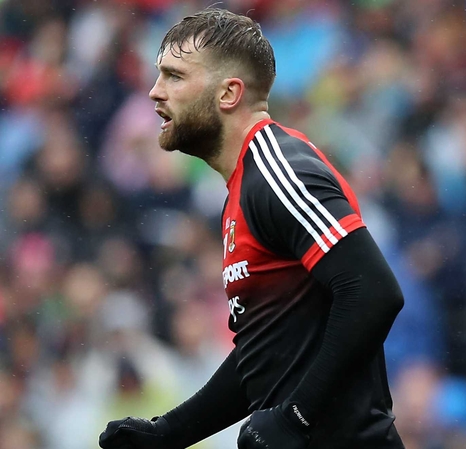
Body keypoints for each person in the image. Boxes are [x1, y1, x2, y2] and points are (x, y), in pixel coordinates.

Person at [98, 8, 405, 449]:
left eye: (174, 76)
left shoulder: (278, 172)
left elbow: (373, 291)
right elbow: (264, 351)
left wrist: (296, 417)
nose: (154, 92)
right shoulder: (243, 187)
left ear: (229, 93)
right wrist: (170, 431)